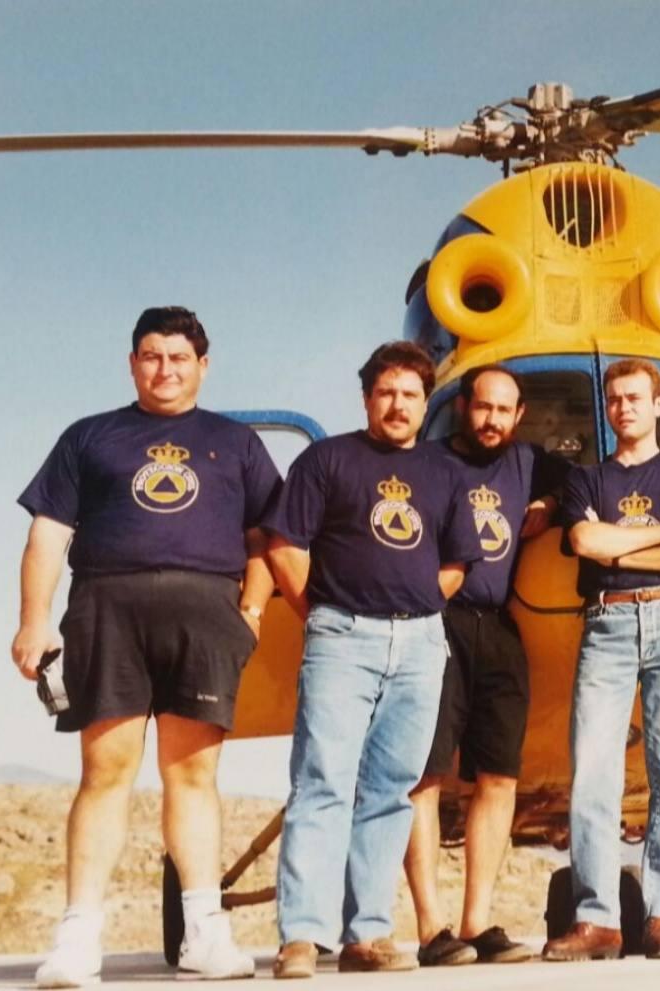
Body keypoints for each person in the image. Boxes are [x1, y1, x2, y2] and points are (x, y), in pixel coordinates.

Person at [12, 307, 281, 986]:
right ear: (133, 361)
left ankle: (203, 930)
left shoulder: (236, 441)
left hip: (205, 614)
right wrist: (33, 620)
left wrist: (249, 608)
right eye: (152, 355)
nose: (165, 369)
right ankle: (77, 938)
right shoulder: (89, 436)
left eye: (179, 357)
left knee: (193, 775)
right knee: (105, 771)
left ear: (203, 365)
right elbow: (48, 533)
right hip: (107, 607)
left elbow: (267, 540)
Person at [264, 341, 481, 978]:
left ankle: (367, 934)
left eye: (411, 395)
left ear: (426, 403)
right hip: (341, 638)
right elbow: (285, 548)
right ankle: (302, 935)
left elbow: (455, 564)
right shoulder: (326, 461)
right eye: (386, 392)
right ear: (366, 399)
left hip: (420, 646)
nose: (397, 404)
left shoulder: (445, 473)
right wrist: (328, 615)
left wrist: (409, 610)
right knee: (323, 782)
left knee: (391, 791)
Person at [542, 358, 660, 962]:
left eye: (635, 397)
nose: (624, 408)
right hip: (607, 620)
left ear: (658, 404)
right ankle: (597, 919)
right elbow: (585, 542)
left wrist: (626, 541)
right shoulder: (586, 481)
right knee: (593, 769)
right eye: (615, 398)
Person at [404, 365, 568, 966]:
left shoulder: (528, 462)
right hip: (435, 621)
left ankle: (477, 923)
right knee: (425, 774)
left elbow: (578, 480)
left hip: (497, 627)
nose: (491, 420)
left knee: (499, 776)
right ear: (463, 408)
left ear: (518, 415)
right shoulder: (427, 462)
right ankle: (430, 927)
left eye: (504, 410)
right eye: (482, 408)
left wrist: (550, 502)